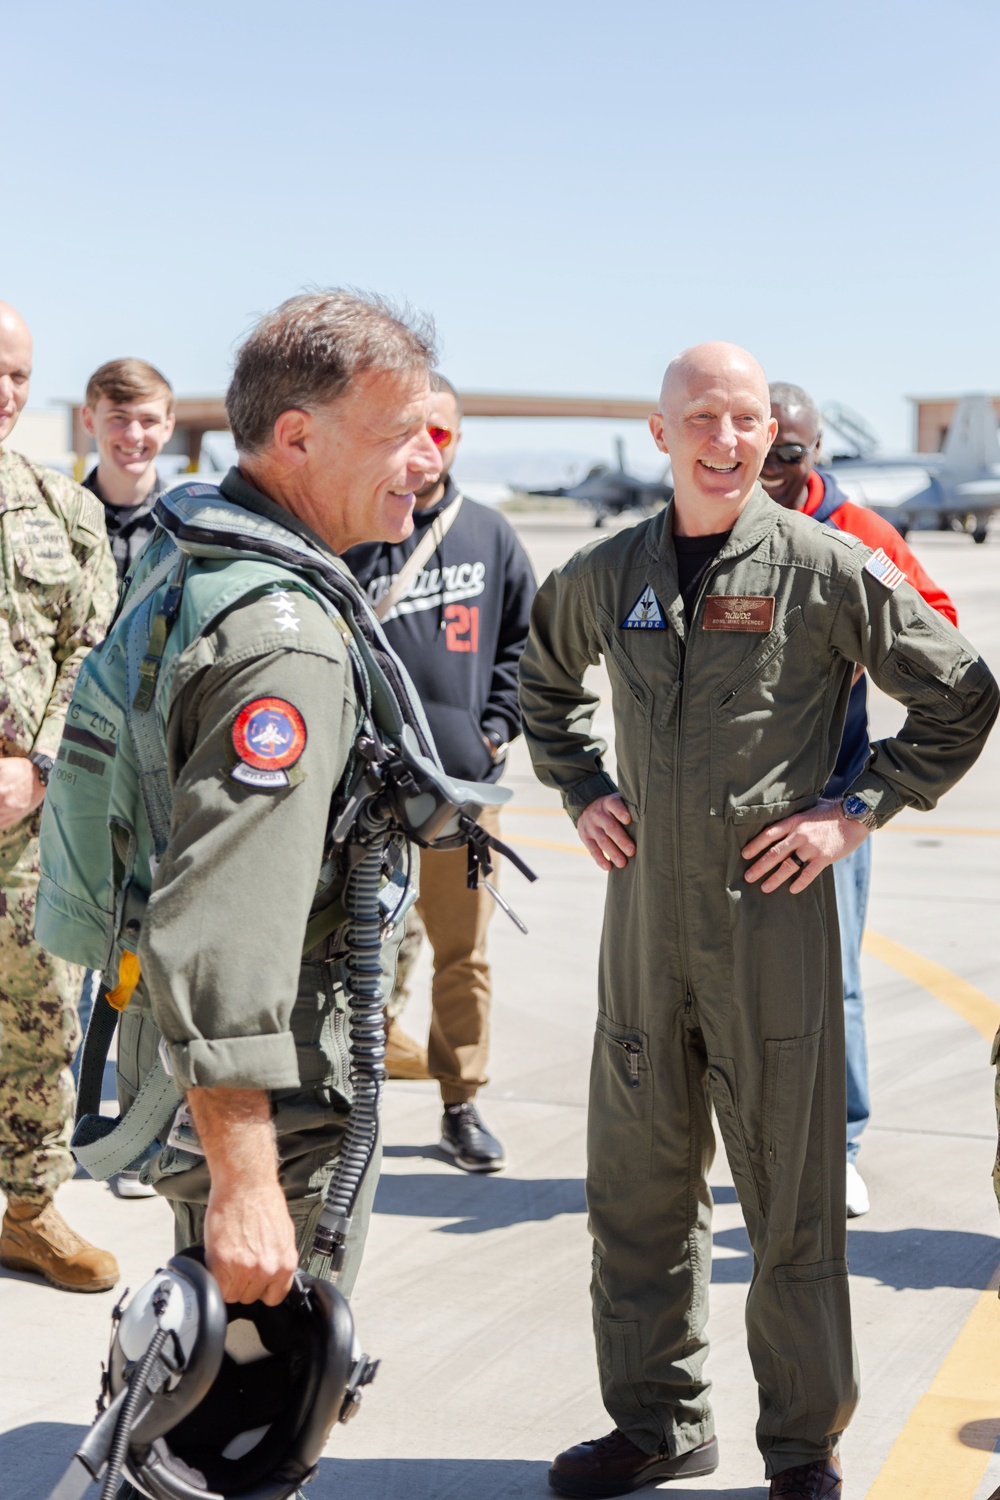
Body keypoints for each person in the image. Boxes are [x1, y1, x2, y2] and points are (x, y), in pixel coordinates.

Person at [518, 342, 998, 1500]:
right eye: (703, 419)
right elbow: (539, 683)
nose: (726, 441)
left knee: (788, 1202)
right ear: (662, 432)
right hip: (642, 935)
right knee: (635, 1196)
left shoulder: (823, 566)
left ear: (765, 431)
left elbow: (962, 692)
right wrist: (582, 790)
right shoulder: (606, 572)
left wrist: (856, 813)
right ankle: (655, 1425)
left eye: (743, 420)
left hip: (772, 932)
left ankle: (801, 1447)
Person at [39, 290, 441, 1314]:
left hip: (207, 1057)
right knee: (260, 1411)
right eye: (399, 434)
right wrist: (248, 1182)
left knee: (213, 1367)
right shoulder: (283, 639)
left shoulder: (200, 561)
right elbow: (220, 929)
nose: (423, 460)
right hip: (276, 1082)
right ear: (299, 437)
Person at [761, 381, 958, 1219]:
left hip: (826, 810)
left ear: (816, 453)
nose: (768, 470)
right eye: (761, 449)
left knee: (830, 982)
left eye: (789, 455)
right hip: (716, 807)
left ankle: (837, 1147)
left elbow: (939, 635)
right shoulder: (698, 522)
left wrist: (860, 651)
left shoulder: (860, 537)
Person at [344, 375, 536, 1171]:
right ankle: (350, 1103)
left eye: (443, 436)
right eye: (410, 431)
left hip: (460, 793)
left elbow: (527, 646)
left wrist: (494, 732)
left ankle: (461, 1104)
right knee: (352, 949)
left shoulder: (490, 536)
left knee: (463, 956)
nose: (425, 451)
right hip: (364, 792)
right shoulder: (354, 530)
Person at [0, 301, 120, 1292]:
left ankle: (31, 1212)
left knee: (43, 1015)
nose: (6, 392)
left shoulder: (65, 508)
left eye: (18, 375)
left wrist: (35, 764)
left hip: (28, 819)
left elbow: (95, 653)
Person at [81, 357, 176, 582]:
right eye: (119, 417)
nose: (134, 434)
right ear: (89, 420)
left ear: (167, 427)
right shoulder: (58, 519)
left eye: (148, 420)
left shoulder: (184, 525)